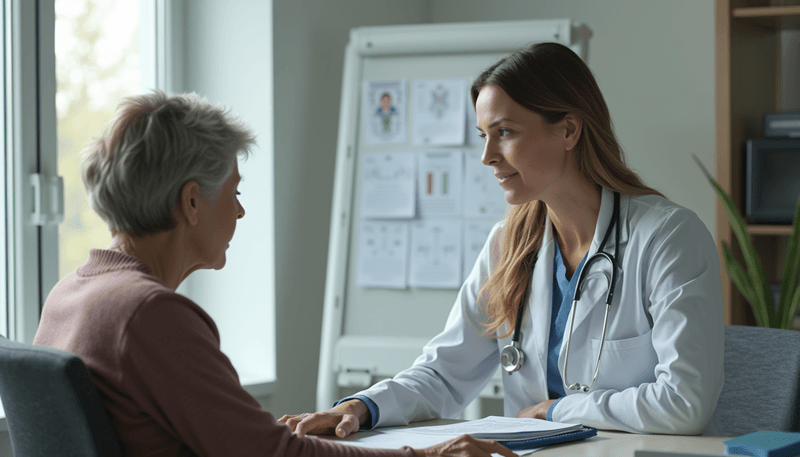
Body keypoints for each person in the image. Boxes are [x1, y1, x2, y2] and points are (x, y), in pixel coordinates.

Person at [33, 91, 516, 457]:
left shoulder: (71, 294)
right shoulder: (148, 314)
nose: (240, 213)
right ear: (192, 202)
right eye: (234, 192)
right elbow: (272, 456)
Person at [280, 42, 724, 437]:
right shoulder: (507, 245)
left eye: (505, 132)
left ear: (569, 130)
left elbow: (685, 403)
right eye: (483, 136)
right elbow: (445, 373)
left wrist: (560, 411)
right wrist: (364, 406)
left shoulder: (666, 238)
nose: (488, 156)